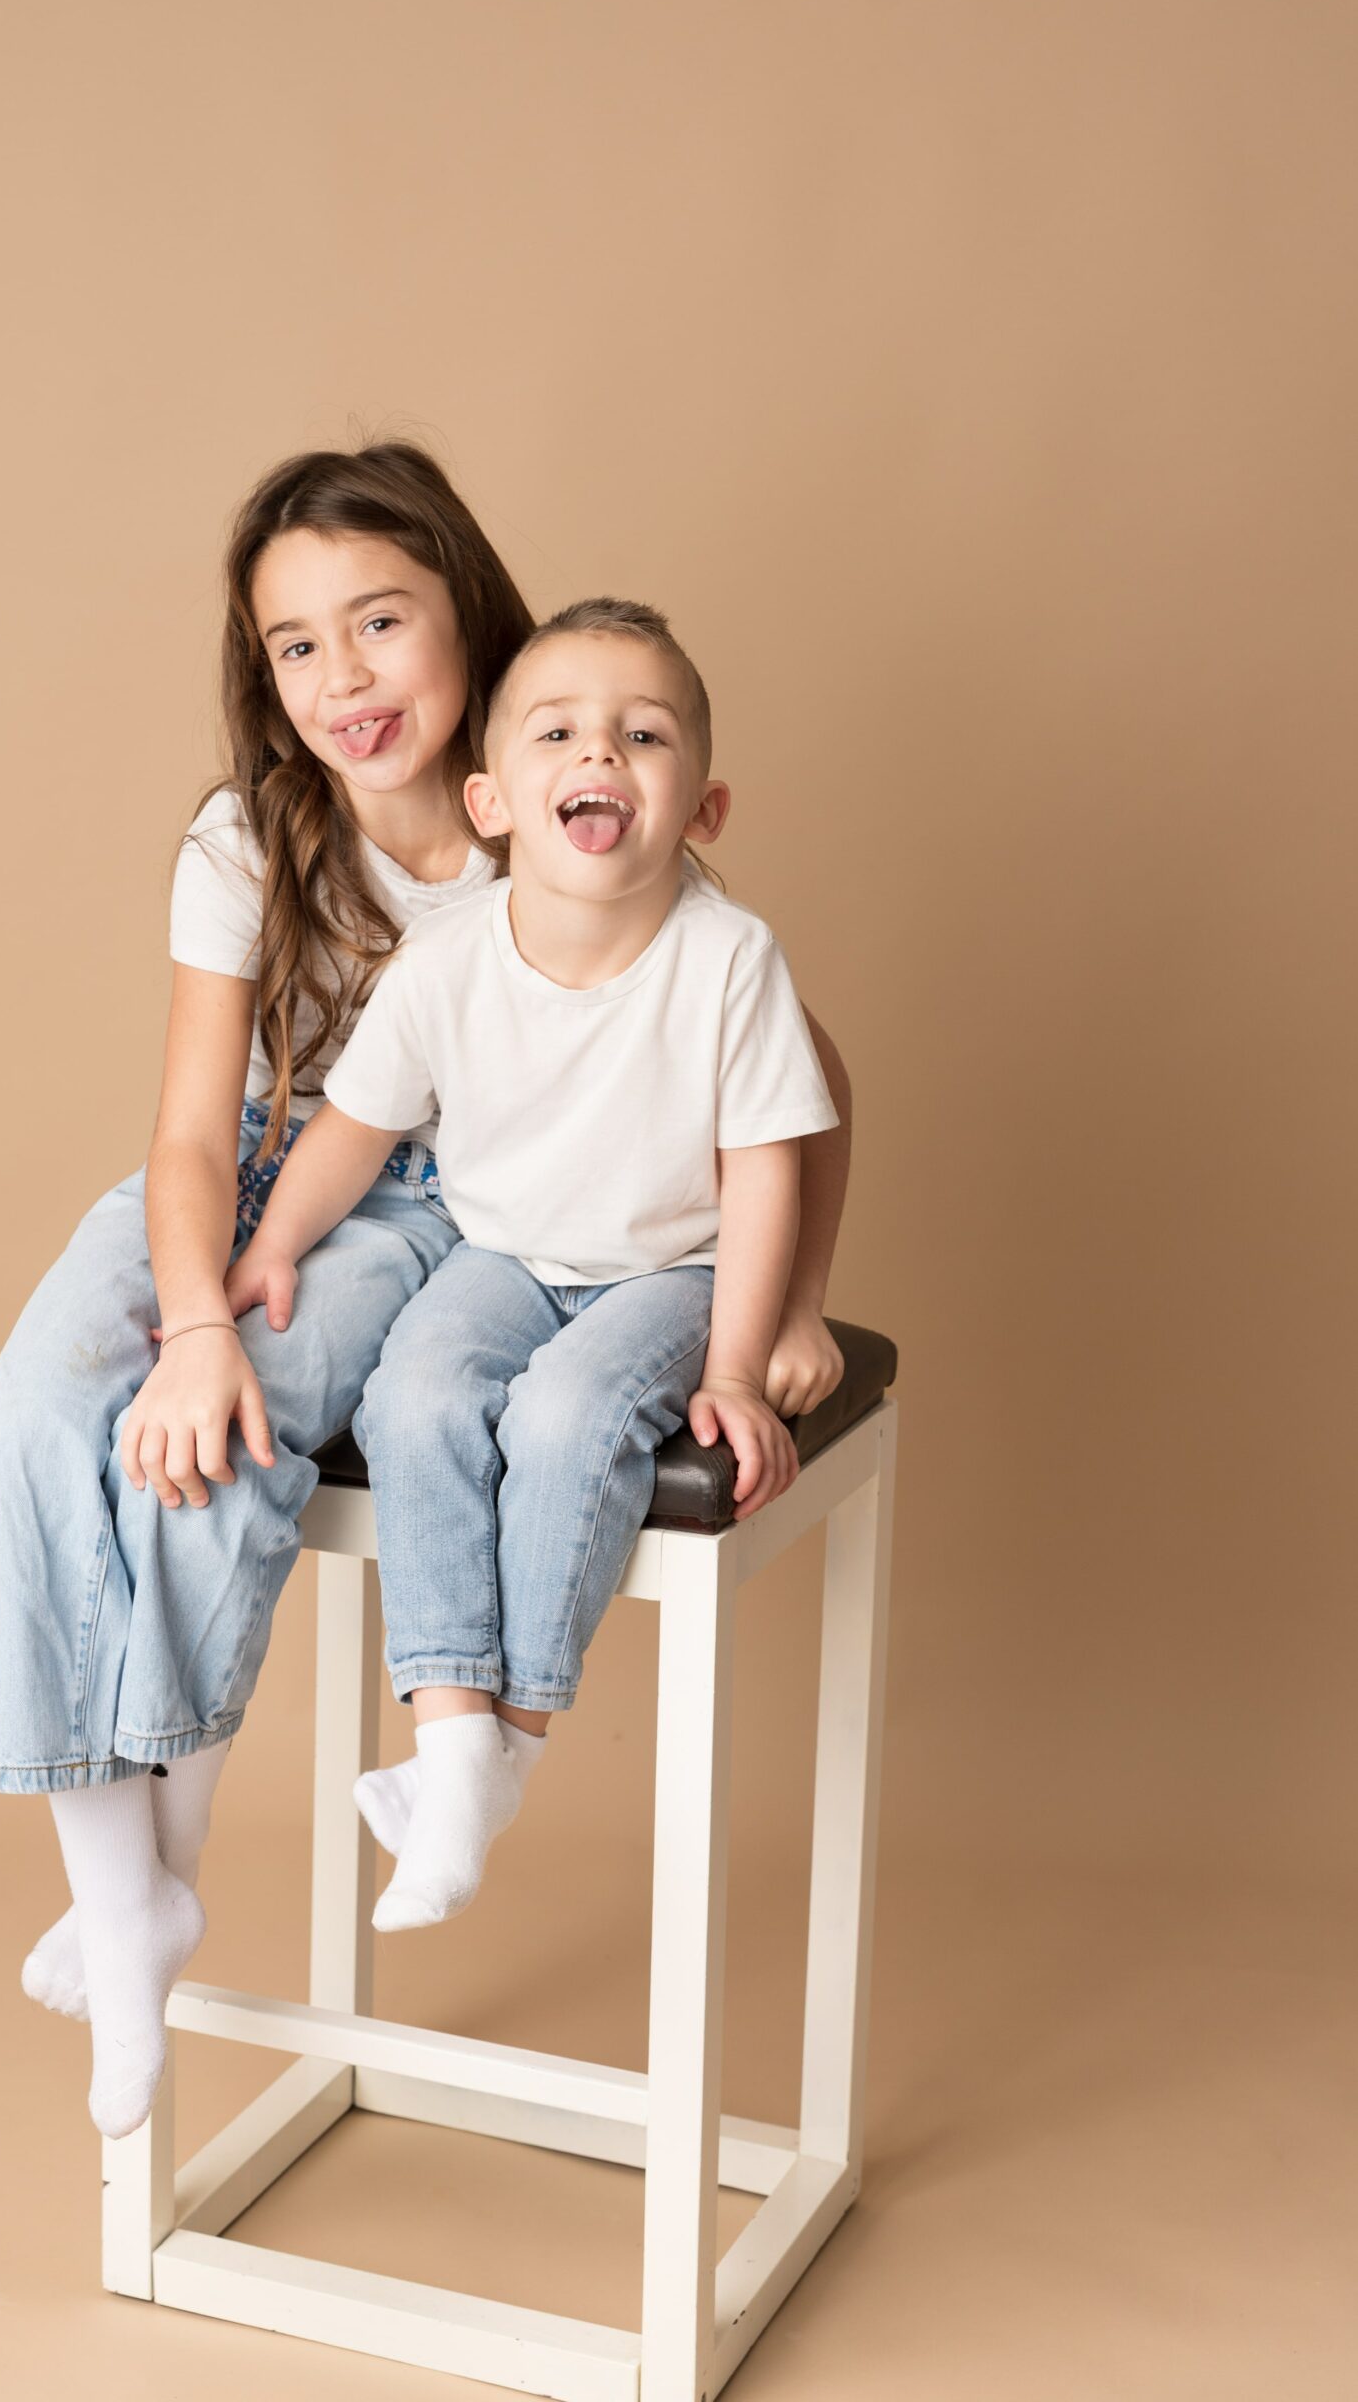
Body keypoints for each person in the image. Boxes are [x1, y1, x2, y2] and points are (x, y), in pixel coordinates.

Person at [0, 446, 853, 2140]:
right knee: (6, 1442)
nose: (343, 678)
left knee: (219, 1447)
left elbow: (790, 1088)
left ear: (470, 624)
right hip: (270, 1177)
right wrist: (198, 1310)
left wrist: (793, 1301)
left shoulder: (579, 819)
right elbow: (193, 1135)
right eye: (296, 647)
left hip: (452, 1210)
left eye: (380, 623)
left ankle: (168, 1873)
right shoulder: (247, 838)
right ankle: (119, 1888)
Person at [223, 597, 836, 1932]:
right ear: (495, 801)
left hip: (670, 1271)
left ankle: (513, 1746)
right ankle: (453, 1742)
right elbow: (356, 1128)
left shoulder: (728, 960)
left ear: (702, 807)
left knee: (566, 1419)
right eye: (559, 732)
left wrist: (741, 1353)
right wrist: (268, 1246)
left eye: (641, 735)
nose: (599, 756)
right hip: (503, 1256)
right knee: (414, 1399)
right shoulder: (446, 963)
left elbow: (774, 1160)